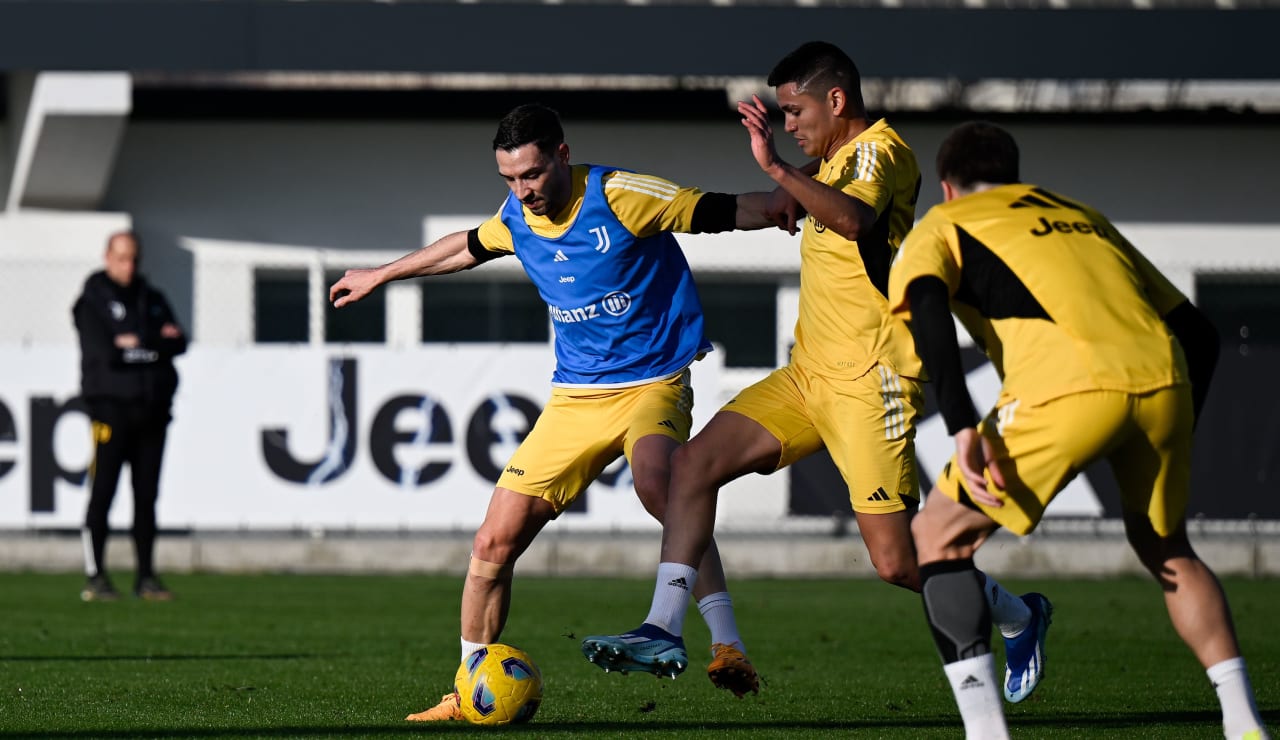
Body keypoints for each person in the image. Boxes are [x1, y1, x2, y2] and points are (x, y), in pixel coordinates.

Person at [583, 40, 1051, 705]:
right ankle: (662, 626)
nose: (790, 122)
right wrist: (767, 190)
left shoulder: (884, 152)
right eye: (782, 112)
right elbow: (796, 201)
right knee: (690, 467)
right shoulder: (832, 160)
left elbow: (857, 220)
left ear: (837, 100)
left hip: (872, 381)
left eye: (796, 109)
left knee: (896, 562)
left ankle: (1018, 614)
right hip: (807, 377)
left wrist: (777, 166)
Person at [329, 103, 788, 720]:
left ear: (563, 155)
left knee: (663, 486)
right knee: (493, 541)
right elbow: (464, 247)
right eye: (510, 180)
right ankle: (468, 692)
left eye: (533, 175)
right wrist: (382, 274)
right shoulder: (517, 215)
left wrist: (799, 202)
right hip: (576, 398)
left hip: (652, 383)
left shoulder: (621, 195)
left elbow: (724, 210)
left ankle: (726, 643)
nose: (523, 191)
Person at [887, 120, 1271, 740]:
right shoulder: (1080, 214)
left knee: (938, 537)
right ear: (1012, 173)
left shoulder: (944, 225)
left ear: (946, 185)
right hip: (1163, 381)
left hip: (1063, 388)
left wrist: (961, 424)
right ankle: (1243, 720)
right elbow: (1199, 332)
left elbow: (928, 308)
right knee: (1168, 549)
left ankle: (987, 734)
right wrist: (1179, 421)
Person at [73, 230, 187, 602]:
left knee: (146, 497)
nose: (129, 266)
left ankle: (146, 577)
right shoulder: (92, 302)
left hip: (152, 410)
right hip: (110, 409)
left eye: (134, 258)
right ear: (108, 257)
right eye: (122, 258)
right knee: (103, 491)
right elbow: (107, 354)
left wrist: (139, 344)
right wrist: (153, 345)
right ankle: (96, 576)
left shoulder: (151, 299)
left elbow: (178, 341)